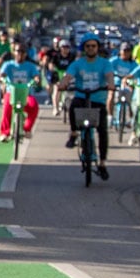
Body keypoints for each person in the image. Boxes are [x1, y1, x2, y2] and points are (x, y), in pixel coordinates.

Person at [57, 32, 114, 181]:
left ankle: (102, 163)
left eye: (93, 46)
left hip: (98, 100)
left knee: (102, 131)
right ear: (84, 48)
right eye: (87, 46)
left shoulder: (105, 63)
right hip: (82, 98)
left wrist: (111, 85)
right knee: (72, 106)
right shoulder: (78, 64)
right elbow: (68, 76)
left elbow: (109, 75)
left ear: (98, 47)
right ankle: (73, 133)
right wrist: (63, 84)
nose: (90, 48)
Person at [0, 42, 42, 143]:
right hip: (11, 93)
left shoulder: (30, 66)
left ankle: (27, 129)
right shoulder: (8, 65)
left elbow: (36, 76)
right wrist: (1, 78)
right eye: (18, 51)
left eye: (23, 52)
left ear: (26, 54)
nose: (20, 54)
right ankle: (5, 132)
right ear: (14, 52)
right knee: (7, 107)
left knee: (34, 106)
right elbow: (2, 74)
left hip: (26, 94)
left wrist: (36, 80)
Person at [108, 42, 139, 129]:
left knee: (133, 98)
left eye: (128, 51)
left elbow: (137, 74)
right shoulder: (114, 61)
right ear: (120, 51)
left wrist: (133, 82)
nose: (126, 53)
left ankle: (132, 118)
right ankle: (110, 116)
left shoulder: (133, 64)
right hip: (116, 83)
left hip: (128, 85)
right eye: (124, 50)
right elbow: (107, 69)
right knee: (111, 95)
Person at [47, 39, 75, 115]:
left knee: (72, 90)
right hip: (58, 74)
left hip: (68, 74)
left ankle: (69, 105)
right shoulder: (56, 56)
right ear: (60, 48)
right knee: (57, 90)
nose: (65, 49)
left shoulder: (71, 56)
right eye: (63, 47)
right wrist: (54, 70)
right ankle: (55, 108)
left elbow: (75, 65)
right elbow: (51, 64)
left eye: (67, 47)